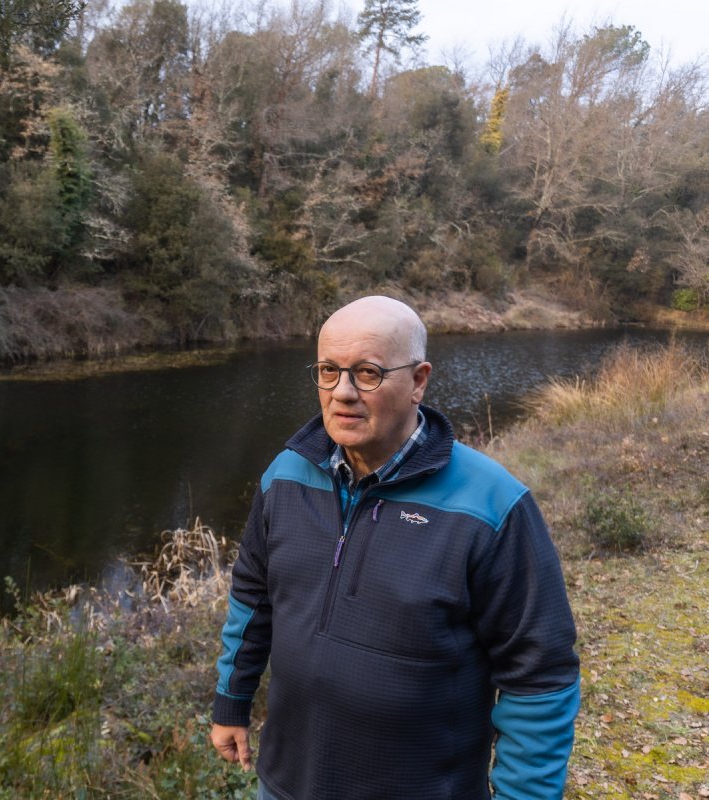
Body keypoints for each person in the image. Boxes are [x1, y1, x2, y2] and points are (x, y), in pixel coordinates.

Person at [210, 296, 580, 800]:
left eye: (367, 373)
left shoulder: (491, 504)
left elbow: (540, 676)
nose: (342, 393)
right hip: (287, 783)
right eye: (328, 370)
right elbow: (253, 597)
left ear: (419, 381)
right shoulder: (286, 475)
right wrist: (231, 702)